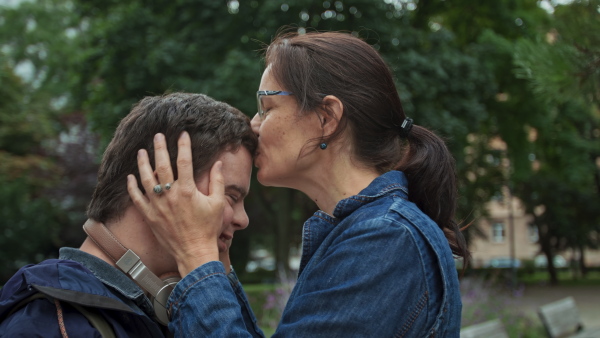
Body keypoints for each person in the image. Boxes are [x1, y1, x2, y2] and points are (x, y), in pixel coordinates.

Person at [128, 31, 469, 337]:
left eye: (267, 106)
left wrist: (195, 254)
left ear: (326, 118)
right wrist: (216, 259)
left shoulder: (386, 239)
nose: (253, 124)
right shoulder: (366, 232)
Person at [0, 93, 258, 337]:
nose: (242, 219)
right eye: (231, 196)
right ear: (162, 185)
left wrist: (215, 266)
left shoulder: (143, 313)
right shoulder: (55, 324)